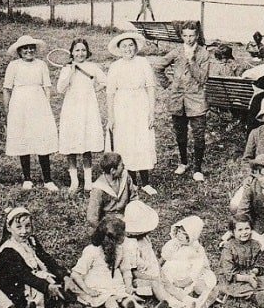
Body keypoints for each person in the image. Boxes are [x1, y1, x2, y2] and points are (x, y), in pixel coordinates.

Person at [0, 207, 79, 308]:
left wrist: (64, 276)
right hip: (18, 286)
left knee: (68, 279)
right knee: (48, 288)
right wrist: (47, 286)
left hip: (34, 277)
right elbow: (24, 275)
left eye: (27, 226)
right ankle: (65, 307)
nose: (24, 231)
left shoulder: (31, 240)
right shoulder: (8, 250)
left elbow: (47, 260)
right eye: (19, 227)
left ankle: (75, 304)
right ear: (9, 228)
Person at [3, 35, 59, 191]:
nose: (29, 51)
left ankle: (47, 179)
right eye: (25, 48)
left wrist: (45, 107)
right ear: (20, 51)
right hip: (19, 105)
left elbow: (47, 87)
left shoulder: (41, 65)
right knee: (23, 139)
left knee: (42, 140)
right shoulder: (13, 66)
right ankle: (27, 178)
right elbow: (7, 89)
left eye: (31, 48)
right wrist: (7, 111)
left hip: (38, 104)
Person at [157, 21, 211, 182]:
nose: (188, 39)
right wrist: (168, 84)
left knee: (199, 134)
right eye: (185, 35)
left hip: (196, 99)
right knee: (180, 133)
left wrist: (192, 61)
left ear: (197, 36)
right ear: (181, 36)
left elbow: (202, 78)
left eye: (192, 35)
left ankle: (198, 168)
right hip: (178, 99)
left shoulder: (203, 53)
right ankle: (183, 162)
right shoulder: (177, 52)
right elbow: (158, 67)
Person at [106, 32, 158, 195]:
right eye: (124, 46)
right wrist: (111, 116)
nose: (128, 49)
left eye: (131, 45)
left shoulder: (143, 62)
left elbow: (150, 87)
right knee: (126, 141)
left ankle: (146, 182)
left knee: (141, 140)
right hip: (122, 106)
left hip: (140, 105)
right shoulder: (115, 66)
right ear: (119, 49)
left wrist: (151, 112)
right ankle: (132, 181)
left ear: (135, 47)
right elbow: (110, 93)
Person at [70, 216, 143, 308]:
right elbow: (76, 274)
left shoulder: (121, 250)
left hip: (115, 285)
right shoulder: (92, 251)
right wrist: (87, 290)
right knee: (110, 300)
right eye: (123, 234)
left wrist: (128, 285)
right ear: (115, 238)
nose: (125, 236)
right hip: (98, 287)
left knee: (127, 298)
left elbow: (126, 269)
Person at [57, 38, 106, 192]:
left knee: (86, 146)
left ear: (87, 52)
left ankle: (88, 181)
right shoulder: (66, 69)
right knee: (71, 146)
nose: (80, 53)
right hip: (71, 110)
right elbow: (60, 89)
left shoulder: (92, 67)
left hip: (87, 109)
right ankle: (74, 181)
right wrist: (70, 72)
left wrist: (92, 92)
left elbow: (105, 82)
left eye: (83, 50)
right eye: (77, 50)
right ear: (72, 52)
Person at [120, 201, 170, 308]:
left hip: (152, 273)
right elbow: (133, 272)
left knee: (169, 281)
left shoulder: (144, 238)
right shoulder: (130, 244)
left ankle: (185, 300)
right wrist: (153, 278)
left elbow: (152, 258)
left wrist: (159, 272)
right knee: (157, 284)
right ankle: (169, 302)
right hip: (140, 280)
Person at [159, 215, 219, 308]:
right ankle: (185, 304)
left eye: (185, 234)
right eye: (178, 232)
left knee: (205, 281)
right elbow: (164, 257)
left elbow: (197, 268)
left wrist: (187, 281)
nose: (180, 236)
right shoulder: (173, 244)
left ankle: (202, 301)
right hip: (173, 275)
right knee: (167, 287)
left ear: (192, 236)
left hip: (189, 275)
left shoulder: (196, 249)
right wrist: (157, 269)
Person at [219, 214, 264, 308]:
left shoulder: (255, 244)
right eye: (240, 230)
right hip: (235, 278)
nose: (244, 232)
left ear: (251, 229)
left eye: (247, 228)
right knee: (245, 289)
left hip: (250, 274)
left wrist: (254, 272)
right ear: (232, 232)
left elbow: (260, 262)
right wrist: (247, 278)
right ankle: (261, 302)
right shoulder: (229, 247)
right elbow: (228, 272)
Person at [86, 152, 135, 228]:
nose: (124, 166)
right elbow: (92, 217)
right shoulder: (98, 188)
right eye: (121, 165)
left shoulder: (125, 177)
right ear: (113, 171)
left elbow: (134, 199)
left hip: (127, 218)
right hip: (109, 225)